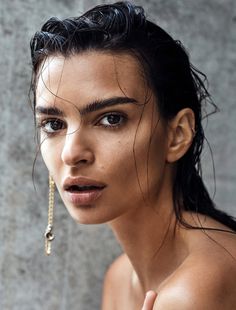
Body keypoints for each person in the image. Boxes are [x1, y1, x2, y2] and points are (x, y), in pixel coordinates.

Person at [30, 1, 236, 309]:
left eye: (111, 118)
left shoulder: (196, 289)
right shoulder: (119, 276)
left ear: (177, 134)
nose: (72, 153)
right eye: (54, 124)